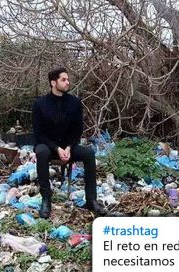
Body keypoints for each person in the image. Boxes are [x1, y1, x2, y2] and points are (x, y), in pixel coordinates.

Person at [32, 67, 106, 218]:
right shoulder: (40, 104)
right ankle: (46, 199)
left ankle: (91, 200)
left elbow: (77, 130)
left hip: (68, 146)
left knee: (89, 153)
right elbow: (39, 134)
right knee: (41, 152)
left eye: (68, 79)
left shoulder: (75, 103)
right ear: (53, 83)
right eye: (63, 80)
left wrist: (69, 147)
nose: (67, 82)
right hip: (48, 145)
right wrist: (57, 148)